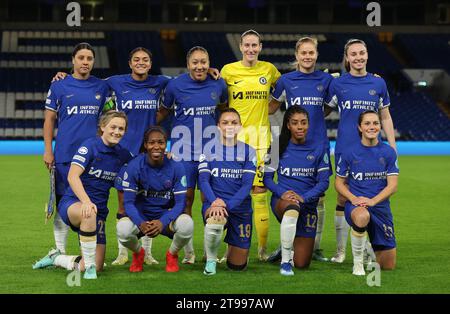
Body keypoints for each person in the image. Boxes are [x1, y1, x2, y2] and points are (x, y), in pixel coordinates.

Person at [33, 111, 133, 279]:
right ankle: (90, 271)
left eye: (121, 129)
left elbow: (141, 166)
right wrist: (86, 201)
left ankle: (56, 258)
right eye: (113, 127)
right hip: (74, 203)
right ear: (102, 127)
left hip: (98, 211)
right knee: (89, 213)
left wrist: (166, 157)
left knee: (97, 264)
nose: (117, 131)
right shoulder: (89, 146)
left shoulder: (123, 154)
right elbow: (72, 176)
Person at [325, 38, 396, 263]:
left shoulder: (378, 83)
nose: (358, 57)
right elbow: (323, 111)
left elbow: (385, 115)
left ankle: (367, 246)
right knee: (343, 197)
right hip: (346, 147)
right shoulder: (338, 84)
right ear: (347, 58)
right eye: (353, 54)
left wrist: (393, 146)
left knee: (373, 193)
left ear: (367, 55)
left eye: (362, 53)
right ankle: (340, 251)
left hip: (373, 150)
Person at [157, 46, 228, 264]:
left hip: (211, 153)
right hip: (183, 154)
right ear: (188, 64)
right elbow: (163, 113)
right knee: (184, 200)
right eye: (195, 62)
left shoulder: (219, 83)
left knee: (210, 200)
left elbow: (225, 110)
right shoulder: (175, 85)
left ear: (209, 63)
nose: (200, 66)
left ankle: (210, 251)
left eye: (203, 62)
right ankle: (188, 252)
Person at [41, 42, 111, 259]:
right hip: (64, 155)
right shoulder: (59, 86)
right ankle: (59, 249)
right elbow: (49, 120)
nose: (85, 62)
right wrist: (48, 150)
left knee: (91, 201)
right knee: (63, 201)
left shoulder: (102, 87)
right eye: (81, 58)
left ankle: (88, 253)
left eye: (89, 58)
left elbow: (107, 119)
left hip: (93, 157)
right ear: (73, 60)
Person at [268, 36, 333, 262]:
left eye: (311, 53)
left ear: (316, 55)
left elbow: (327, 108)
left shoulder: (325, 80)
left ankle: (314, 246)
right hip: (293, 144)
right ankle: (286, 244)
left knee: (320, 195)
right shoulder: (287, 80)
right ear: (297, 56)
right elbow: (271, 107)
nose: (307, 56)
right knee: (288, 195)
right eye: (303, 53)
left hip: (318, 144)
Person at [220, 30, 281, 261]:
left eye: (255, 45)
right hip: (232, 140)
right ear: (241, 46)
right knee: (231, 192)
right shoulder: (228, 70)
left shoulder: (269, 70)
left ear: (260, 46)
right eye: (247, 45)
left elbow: (285, 89)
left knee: (259, 193)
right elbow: (220, 98)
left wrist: (271, 108)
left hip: (261, 140)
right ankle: (230, 249)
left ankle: (262, 250)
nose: (251, 49)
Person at [115, 126, 194, 273]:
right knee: (122, 229)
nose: (156, 146)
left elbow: (180, 203)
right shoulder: (134, 166)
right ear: (145, 145)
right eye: (151, 143)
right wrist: (140, 222)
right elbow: (128, 203)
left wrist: (162, 221)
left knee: (187, 224)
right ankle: (139, 253)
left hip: (166, 218)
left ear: (166, 144)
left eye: (161, 142)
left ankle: (172, 254)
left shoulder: (177, 167)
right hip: (141, 218)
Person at [263, 106, 330, 276]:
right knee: (292, 207)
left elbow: (324, 183)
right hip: (283, 201)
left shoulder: (319, 147)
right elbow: (267, 179)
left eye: (303, 123)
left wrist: (304, 197)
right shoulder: (277, 146)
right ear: (288, 125)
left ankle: (286, 248)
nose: (300, 127)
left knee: (302, 263)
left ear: (308, 124)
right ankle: (285, 262)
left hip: (307, 204)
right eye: (295, 123)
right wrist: (282, 193)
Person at [335, 110, 398, 275]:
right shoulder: (349, 152)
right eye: (367, 123)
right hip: (357, 206)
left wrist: (373, 201)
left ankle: (366, 247)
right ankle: (358, 264)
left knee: (387, 265)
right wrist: (353, 198)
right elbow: (339, 183)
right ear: (360, 127)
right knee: (362, 216)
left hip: (380, 208)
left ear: (380, 126)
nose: (372, 127)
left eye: (376, 123)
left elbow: (393, 186)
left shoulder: (388, 152)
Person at [198, 108, 256, 275]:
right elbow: (203, 180)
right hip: (215, 204)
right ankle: (211, 260)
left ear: (240, 127)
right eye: (225, 122)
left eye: (234, 122)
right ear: (218, 127)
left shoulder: (249, 151)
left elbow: (246, 186)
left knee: (237, 267)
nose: (229, 126)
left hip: (239, 208)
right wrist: (215, 202)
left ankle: (230, 247)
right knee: (216, 218)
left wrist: (227, 204)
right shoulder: (208, 149)